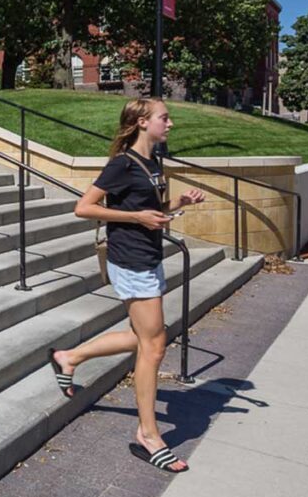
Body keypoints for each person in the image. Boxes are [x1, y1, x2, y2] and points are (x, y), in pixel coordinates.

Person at [49, 97, 205, 473]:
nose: (170, 124)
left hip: (148, 257)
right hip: (130, 260)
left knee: (147, 339)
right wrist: (135, 216)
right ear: (141, 122)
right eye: (164, 118)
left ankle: (69, 357)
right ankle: (148, 434)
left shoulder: (153, 163)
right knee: (153, 347)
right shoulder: (121, 164)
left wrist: (175, 204)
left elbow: (151, 211)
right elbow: (83, 207)